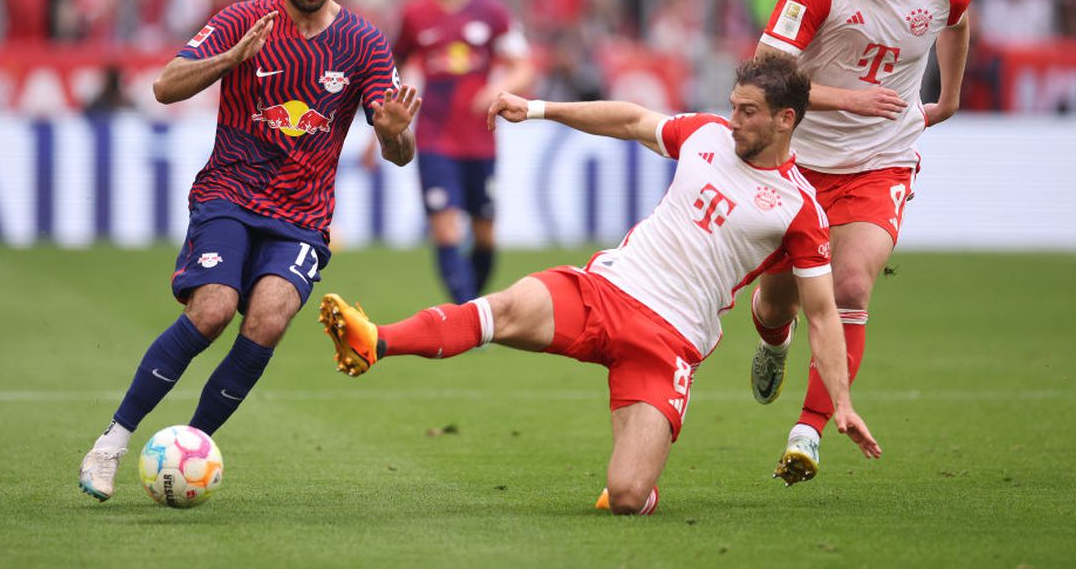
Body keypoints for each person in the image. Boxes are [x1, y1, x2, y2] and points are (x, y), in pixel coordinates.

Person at [317, 56, 882, 515]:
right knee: (504, 308)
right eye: (733, 106)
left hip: (670, 341)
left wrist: (840, 402)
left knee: (628, 496)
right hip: (607, 290)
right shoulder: (706, 135)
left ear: (786, 120)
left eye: (749, 112)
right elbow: (633, 121)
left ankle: (640, 482)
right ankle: (375, 340)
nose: (733, 120)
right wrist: (538, 108)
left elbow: (824, 314)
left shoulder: (799, 208)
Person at [77, 0, 421, 502]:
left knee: (267, 319)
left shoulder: (364, 42)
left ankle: (187, 450)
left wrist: (395, 130)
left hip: (303, 216)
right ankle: (112, 440)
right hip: (229, 195)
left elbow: (399, 153)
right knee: (212, 310)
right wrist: (229, 59)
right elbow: (163, 86)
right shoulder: (243, 19)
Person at [749, 0, 972, 484]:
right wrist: (848, 99)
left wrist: (947, 99)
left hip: (883, 160)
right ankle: (774, 341)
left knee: (850, 286)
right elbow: (768, 78)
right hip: (801, 163)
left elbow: (956, 19)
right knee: (776, 301)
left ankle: (808, 432)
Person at [391, 0, 534, 302]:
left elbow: (524, 66)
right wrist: (392, 112)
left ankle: (469, 308)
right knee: (445, 227)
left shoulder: (492, 12)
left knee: (484, 234)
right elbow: (395, 67)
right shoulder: (415, 14)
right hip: (434, 136)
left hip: (480, 137)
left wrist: (496, 89)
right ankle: (468, 313)